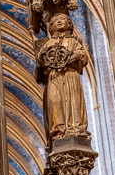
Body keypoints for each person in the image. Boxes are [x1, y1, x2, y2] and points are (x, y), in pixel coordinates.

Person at [36, 13, 90, 142]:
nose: (60, 21)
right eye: (56, 21)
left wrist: (73, 57)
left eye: (63, 19)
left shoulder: (73, 41)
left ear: (69, 24)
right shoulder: (49, 43)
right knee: (55, 100)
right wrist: (42, 56)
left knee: (73, 100)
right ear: (51, 26)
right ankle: (58, 129)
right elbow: (41, 62)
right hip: (54, 77)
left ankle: (76, 128)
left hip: (70, 75)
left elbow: (82, 55)